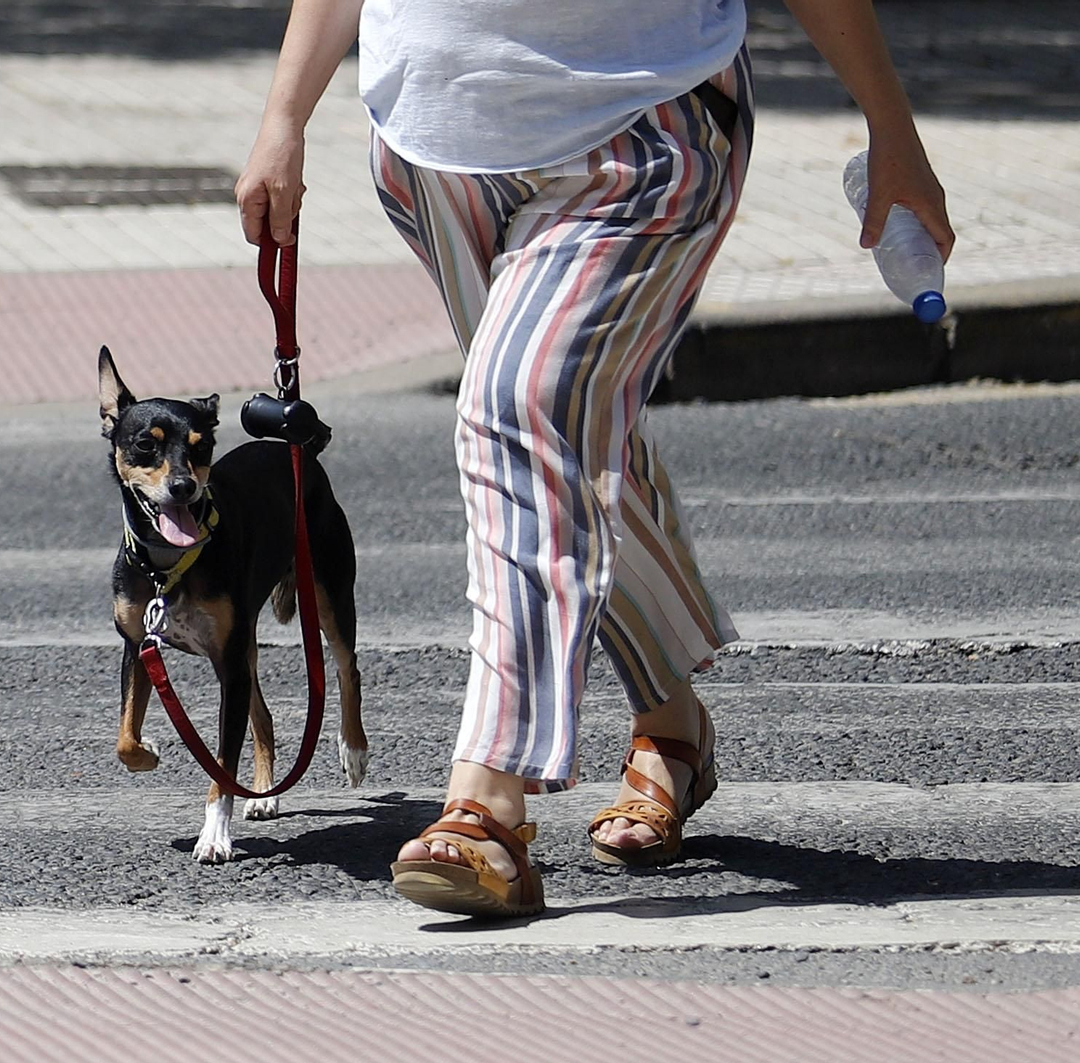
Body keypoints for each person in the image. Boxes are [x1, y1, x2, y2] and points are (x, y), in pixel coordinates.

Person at [236, 0, 954, 917]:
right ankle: (669, 716)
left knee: (521, 413)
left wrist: (891, 126)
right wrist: (283, 116)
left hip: (647, 129)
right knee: (567, 431)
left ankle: (486, 799)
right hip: (432, 142)